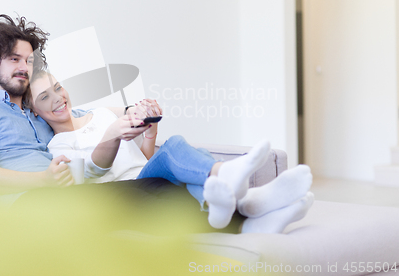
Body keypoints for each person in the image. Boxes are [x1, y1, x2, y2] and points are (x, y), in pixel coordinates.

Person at [0, 14, 312, 234]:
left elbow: (89, 125)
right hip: (29, 207)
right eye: (14, 59)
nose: (24, 67)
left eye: (30, 60)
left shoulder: (41, 114)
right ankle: (248, 214)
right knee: (155, 186)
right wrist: (44, 180)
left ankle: (250, 218)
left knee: (161, 183)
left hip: (68, 196)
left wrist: (137, 118)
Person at [28, 70, 314, 231]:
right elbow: (94, 171)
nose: (58, 98)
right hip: (128, 192)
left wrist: (149, 133)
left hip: (147, 175)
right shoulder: (57, 147)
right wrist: (111, 136)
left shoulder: (101, 113)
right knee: (177, 157)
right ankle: (247, 199)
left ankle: (247, 203)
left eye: (58, 87)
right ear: (36, 112)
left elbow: (144, 161)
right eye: (45, 97)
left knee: (176, 152)